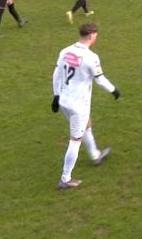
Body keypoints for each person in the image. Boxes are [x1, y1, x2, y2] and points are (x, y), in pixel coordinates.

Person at [51, 22, 119, 190]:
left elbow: (56, 74)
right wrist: (114, 90)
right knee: (75, 140)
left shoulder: (65, 51)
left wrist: (56, 95)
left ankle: (95, 155)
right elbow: (100, 79)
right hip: (78, 105)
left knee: (86, 124)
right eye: (96, 35)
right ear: (90, 36)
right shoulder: (91, 57)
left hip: (64, 101)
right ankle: (65, 179)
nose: (97, 37)